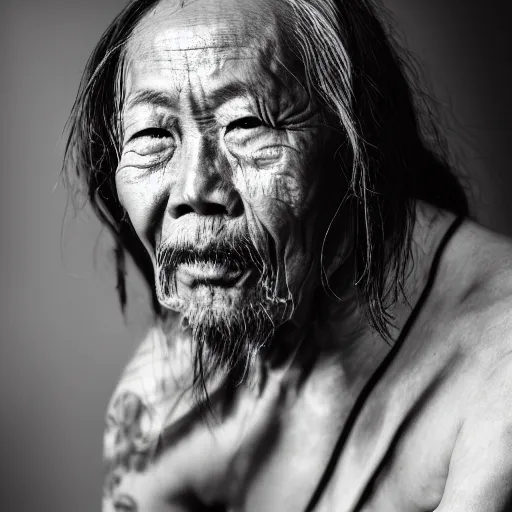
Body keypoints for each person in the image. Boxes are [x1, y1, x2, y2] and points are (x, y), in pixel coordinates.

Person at [64, 0, 512, 510]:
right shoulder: (163, 394)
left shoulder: (499, 368)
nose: (194, 187)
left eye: (248, 123)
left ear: (354, 148)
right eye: (151, 134)